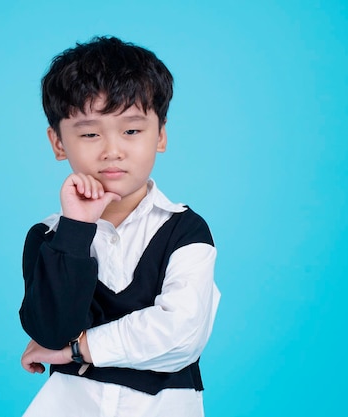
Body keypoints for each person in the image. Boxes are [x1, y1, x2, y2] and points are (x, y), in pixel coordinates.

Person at [19, 36, 220, 417]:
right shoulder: (48, 237)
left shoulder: (185, 231)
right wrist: (76, 229)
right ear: (58, 143)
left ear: (159, 135)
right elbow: (50, 329)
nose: (112, 150)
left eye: (131, 131)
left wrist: (76, 350)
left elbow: (181, 334)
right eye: (90, 133)